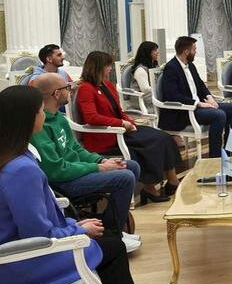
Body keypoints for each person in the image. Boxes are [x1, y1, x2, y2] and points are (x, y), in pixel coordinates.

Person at [0, 86, 169, 284]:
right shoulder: (21, 169)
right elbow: (38, 235)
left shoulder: (0, 156)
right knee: (113, 248)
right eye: (41, 111)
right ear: (29, 118)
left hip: (3, 258)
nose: (44, 115)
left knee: (108, 244)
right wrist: (77, 230)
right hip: (13, 265)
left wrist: (74, 227)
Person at [30, 74, 142, 252]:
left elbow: (76, 149)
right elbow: (56, 170)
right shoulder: (39, 126)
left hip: (76, 171)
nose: (70, 90)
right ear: (56, 93)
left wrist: (100, 160)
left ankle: (111, 226)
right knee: (125, 178)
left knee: (130, 165)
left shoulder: (59, 118)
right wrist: (98, 167)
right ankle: (113, 234)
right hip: (63, 182)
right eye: (67, 87)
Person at [75, 52, 181, 202]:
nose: (110, 69)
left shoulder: (107, 85)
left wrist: (130, 122)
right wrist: (121, 123)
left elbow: (119, 110)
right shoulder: (86, 88)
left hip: (121, 130)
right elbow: (91, 117)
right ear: (98, 67)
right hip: (105, 136)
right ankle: (149, 188)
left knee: (163, 137)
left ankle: (172, 180)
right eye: (107, 66)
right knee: (148, 146)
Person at [159, 36, 232, 158]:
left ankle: (231, 150)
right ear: (186, 52)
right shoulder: (171, 68)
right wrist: (197, 103)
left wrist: (209, 97)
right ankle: (215, 156)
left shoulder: (190, 65)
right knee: (219, 115)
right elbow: (172, 95)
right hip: (184, 111)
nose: (195, 52)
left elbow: (200, 85)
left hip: (199, 106)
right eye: (194, 49)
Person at [128, 41, 159, 113]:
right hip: (141, 98)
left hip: (151, 94)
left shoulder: (154, 66)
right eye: (155, 50)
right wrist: (160, 90)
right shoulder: (140, 69)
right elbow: (145, 89)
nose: (157, 52)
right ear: (147, 52)